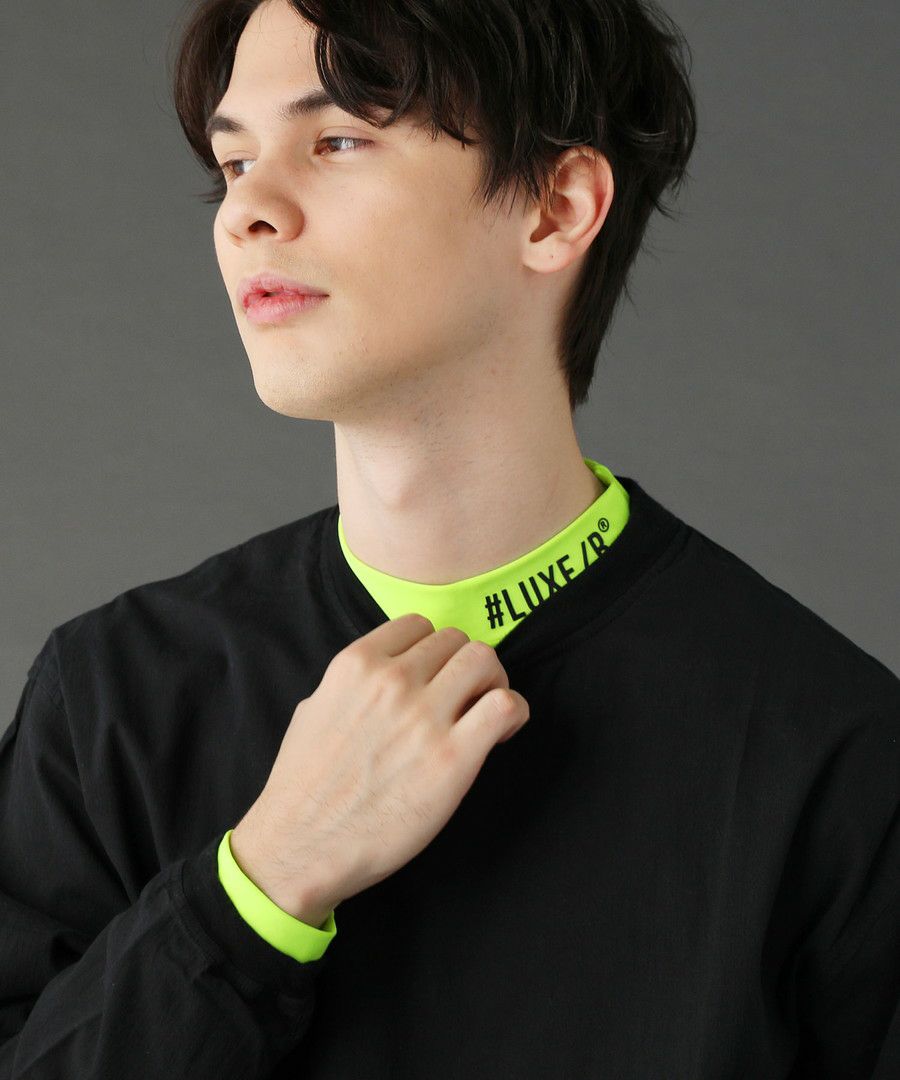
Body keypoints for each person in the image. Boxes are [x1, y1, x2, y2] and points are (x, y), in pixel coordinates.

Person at [1, 0, 897, 1076]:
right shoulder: (111, 699)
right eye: (234, 163)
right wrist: (260, 888)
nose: (248, 213)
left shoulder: (836, 758)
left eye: (338, 140)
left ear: (555, 208)